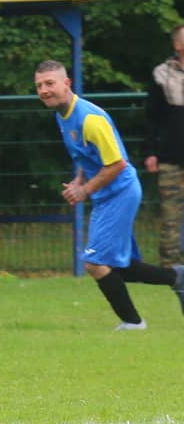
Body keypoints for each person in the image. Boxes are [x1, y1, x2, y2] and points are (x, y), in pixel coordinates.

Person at [35, 60, 184, 330]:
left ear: (66, 83)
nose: (43, 90)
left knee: (95, 263)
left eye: (49, 83)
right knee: (121, 266)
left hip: (120, 192)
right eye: (39, 85)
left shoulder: (89, 119)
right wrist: (79, 179)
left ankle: (133, 323)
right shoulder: (63, 115)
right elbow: (87, 154)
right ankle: (178, 278)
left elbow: (117, 164)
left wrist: (84, 190)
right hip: (106, 195)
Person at [144, 24, 184, 267]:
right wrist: (150, 152)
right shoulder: (161, 74)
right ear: (177, 45)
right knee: (170, 217)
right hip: (170, 158)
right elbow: (151, 117)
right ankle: (172, 270)